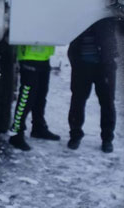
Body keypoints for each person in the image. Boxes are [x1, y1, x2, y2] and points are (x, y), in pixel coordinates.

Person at [67, 19, 118, 153]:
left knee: (107, 102)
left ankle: (107, 139)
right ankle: (75, 134)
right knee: (77, 101)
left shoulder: (108, 13)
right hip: (81, 65)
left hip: (105, 65)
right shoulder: (78, 15)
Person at [9, 45, 61, 151]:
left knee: (41, 96)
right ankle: (16, 134)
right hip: (28, 56)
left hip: (45, 56)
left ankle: (38, 127)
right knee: (26, 98)